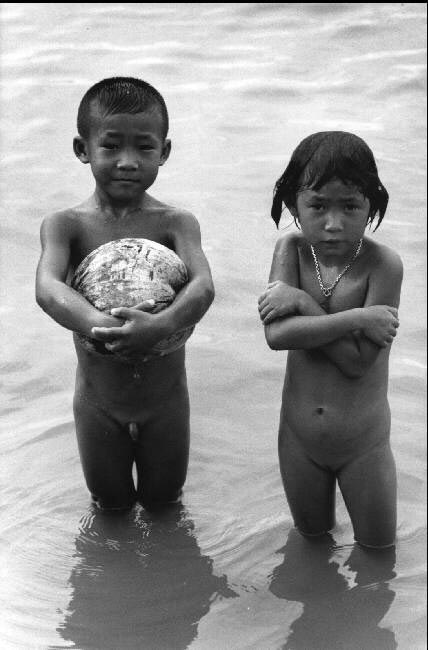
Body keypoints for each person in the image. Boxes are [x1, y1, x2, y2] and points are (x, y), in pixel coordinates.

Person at [36, 77, 214, 511]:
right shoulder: (67, 225)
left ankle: (166, 575)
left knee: (164, 504)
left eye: (145, 148)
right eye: (111, 146)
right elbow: (48, 287)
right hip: (99, 403)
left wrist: (162, 326)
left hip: (165, 403)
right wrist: (105, 328)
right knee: (109, 504)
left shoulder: (176, 223)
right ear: (83, 149)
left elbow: (203, 286)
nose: (128, 161)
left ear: (164, 152)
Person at [258, 131, 403, 548]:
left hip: (364, 443)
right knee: (312, 543)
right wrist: (356, 317)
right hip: (298, 437)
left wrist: (302, 306)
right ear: (293, 205)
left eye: (350, 206)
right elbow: (278, 334)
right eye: (318, 205)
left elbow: (358, 363)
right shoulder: (291, 251)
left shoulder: (383, 265)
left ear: (371, 205)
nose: (334, 222)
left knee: (378, 553)